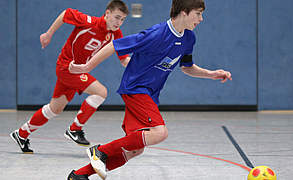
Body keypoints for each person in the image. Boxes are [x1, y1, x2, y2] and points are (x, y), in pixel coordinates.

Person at [67, 0, 232, 179]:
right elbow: (115, 45)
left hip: (150, 94)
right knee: (160, 133)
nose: (201, 19)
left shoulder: (189, 38)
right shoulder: (156, 34)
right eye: (198, 13)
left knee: (135, 150)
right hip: (136, 88)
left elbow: (187, 66)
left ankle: (79, 175)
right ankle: (99, 151)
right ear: (184, 12)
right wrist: (86, 67)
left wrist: (212, 74)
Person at [10, 0, 130, 154]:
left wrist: (141, 66)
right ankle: (75, 129)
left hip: (77, 70)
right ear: (107, 14)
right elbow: (66, 13)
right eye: (117, 17)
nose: (119, 22)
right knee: (101, 92)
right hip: (67, 67)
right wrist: (48, 34)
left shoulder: (116, 34)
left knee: (55, 108)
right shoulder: (89, 22)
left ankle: (21, 134)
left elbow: (124, 59)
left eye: (122, 19)